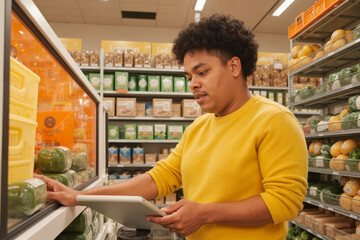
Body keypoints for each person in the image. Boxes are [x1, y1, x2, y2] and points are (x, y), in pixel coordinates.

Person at [38, 14, 308, 240]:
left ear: (234, 66)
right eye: (189, 76)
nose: (193, 84)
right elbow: (160, 178)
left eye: (202, 72)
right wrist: (81, 196)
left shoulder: (274, 120)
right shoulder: (198, 127)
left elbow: (285, 201)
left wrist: (204, 213)